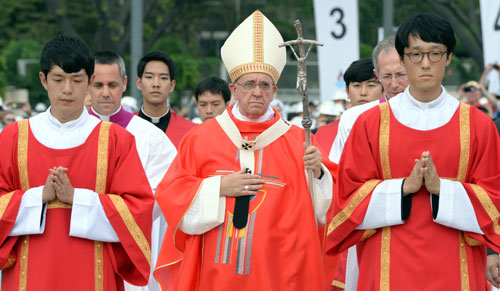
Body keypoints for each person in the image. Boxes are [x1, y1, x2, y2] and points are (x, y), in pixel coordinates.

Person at [153, 10, 336, 291]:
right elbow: (171, 194)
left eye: (265, 85)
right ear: (233, 89)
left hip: (281, 273)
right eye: (249, 84)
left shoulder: (300, 141)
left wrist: (319, 172)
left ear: (275, 91)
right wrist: (219, 186)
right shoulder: (201, 138)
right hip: (216, 272)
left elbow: (327, 208)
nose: (257, 92)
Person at [327, 13, 500, 290]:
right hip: (386, 265)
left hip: (457, 266)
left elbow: (495, 200)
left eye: (435, 53)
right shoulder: (371, 124)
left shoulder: (478, 126)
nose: (425, 63)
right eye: (416, 54)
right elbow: (346, 199)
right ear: (404, 58)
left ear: (449, 58)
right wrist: (403, 188)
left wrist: (441, 188)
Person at [0, 35, 154, 290]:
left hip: (94, 273)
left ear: (90, 82)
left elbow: (138, 210)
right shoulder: (14, 137)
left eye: (77, 80)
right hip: (30, 275)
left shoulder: (116, 140)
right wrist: (39, 196)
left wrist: (76, 198)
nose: (68, 89)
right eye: (58, 79)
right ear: (43, 80)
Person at [88, 50, 177, 291]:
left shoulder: (152, 138)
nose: (105, 92)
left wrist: (90, 208)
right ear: (87, 84)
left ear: (125, 84)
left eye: (113, 84)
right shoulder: (71, 135)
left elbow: (158, 200)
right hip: (79, 248)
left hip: (129, 251)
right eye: (98, 84)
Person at [315, 58, 383, 156]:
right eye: (357, 85)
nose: (363, 93)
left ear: (383, 91)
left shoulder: (393, 127)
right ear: (347, 92)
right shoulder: (324, 133)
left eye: (371, 85)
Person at [136, 51, 196, 148]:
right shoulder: (124, 128)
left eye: (163, 78)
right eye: (149, 77)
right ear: (139, 83)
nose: (156, 84)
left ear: (172, 85)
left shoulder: (191, 132)